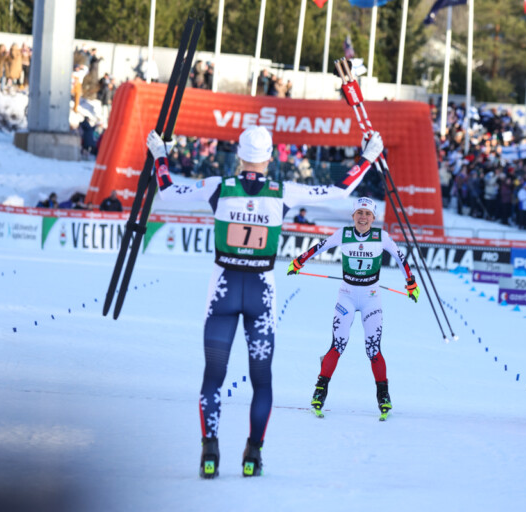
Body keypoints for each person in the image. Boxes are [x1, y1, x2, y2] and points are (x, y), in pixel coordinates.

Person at [145, 125, 384, 478]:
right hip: (262, 295)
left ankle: (210, 449)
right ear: (270, 158)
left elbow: (166, 191)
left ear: (240, 156)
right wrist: (368, 156)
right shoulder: (283, 191)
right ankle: (253, 454)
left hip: (224, 291)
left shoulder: (218, 186)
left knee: (213, 377)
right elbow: (340, 189)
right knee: (262, 381)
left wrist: (159, 155)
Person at [286, 197, 420, 420]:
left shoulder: (381, 237)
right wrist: (299, 261)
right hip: (347, 297)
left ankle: (383, 395)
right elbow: (320, 247)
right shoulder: (344, 234)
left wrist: (411, 282)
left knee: (373, 348)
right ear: (353, 216)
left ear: (373, 218)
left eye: (367, 214)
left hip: (371, 298)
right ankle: (320, 391)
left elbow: (400, 257)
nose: (363, 217)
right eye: (359, 213)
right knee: (338, 345)